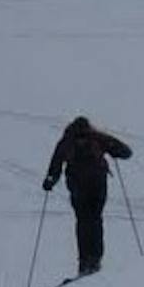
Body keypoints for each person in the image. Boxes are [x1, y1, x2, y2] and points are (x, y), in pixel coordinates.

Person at [42, 116, 132, 276]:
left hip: (78, 186)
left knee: (83, 221)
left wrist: (50, 180)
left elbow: (56, 162)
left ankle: (85, 262)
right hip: (97, 184)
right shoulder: (96, 137)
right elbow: (126, 152)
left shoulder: (67, 141)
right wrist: (115, 150)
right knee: (95, 220)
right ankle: (95, 260)